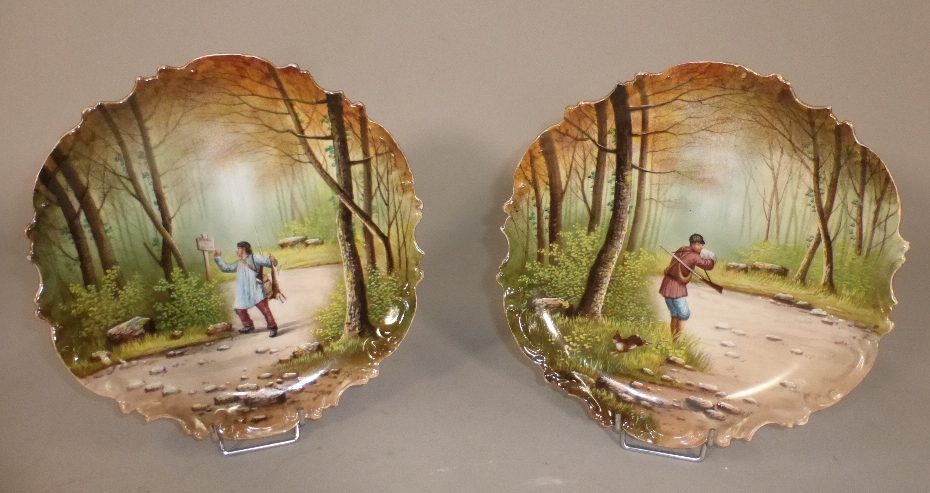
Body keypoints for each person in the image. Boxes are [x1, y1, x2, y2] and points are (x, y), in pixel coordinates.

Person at [213, 241, 280, 337]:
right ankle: (248, 325)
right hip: (243, 293)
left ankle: (272, 327)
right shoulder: (239, 263)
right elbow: (226, 268)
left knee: (265, 310)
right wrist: (218, 258)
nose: (236, 251)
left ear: (243, 249)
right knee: (239, 309)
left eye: (238, 248)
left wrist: (273, 260)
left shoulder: (255, 258)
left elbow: (270, 263)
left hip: (256, 289)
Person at [659, 233, 716, 341]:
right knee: (683, 315)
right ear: (693, 244)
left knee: (675, 314)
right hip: (677, 289)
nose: (702, 247)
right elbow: (708, 265)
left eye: (702, 244)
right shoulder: (693, 256)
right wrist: (712, 258)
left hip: (667, 286)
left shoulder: (682, 249)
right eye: (699, 244)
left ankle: (674, 340)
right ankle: (677, 341)